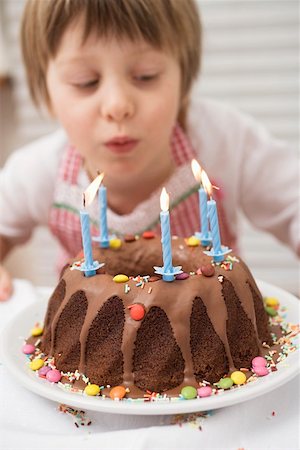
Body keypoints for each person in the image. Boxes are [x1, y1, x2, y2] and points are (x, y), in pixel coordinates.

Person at [0, 0, 299, 301]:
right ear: (46, 92)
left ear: (184, 81)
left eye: (146, 75)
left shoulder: (223, 140)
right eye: (85, 82)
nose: (117, 106)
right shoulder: (39, 171)